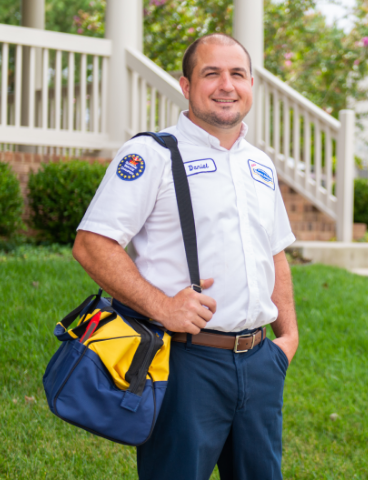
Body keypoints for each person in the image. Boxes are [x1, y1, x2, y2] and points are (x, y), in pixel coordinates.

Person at [72, 33, 299, 480]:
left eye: (237, 74)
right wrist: (163, 307)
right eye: (211, 73)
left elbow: (275, 253)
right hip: (185, 364)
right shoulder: (152, 154)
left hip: (259, 363)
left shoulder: (260, 164)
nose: (226, 85)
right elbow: (92, 244)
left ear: (251, 84)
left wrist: (286, 340)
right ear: (186, 85)